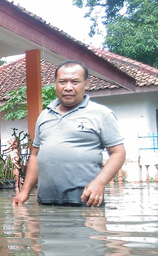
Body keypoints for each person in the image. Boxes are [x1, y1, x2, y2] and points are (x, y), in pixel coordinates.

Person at [12, 60, 126, 206]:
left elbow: (118, 153)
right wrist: (25, 192)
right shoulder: (44, 116)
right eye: (62, 82)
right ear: (55, 84)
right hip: (47, 201)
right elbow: (35, 155)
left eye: (75, 82)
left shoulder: (101, 114)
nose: (68, 87)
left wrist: (100, 182)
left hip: (87, 200)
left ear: (86, 84)